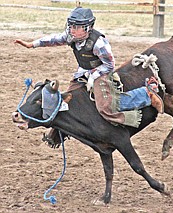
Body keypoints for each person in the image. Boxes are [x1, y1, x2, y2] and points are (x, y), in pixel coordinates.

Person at [15, 7, 163, 145]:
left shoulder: (99, 43)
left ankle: (145, 95)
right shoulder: (71, 36)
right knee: (67, 98)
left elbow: (109, 65)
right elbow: (54, 39)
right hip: (83, 72)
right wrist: (32, 44)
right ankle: (60, 131)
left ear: (87, 28)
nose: (73, 30)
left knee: (105, 106)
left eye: (77, 27)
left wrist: (93, 76)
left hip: (101, 72)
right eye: (71, 26)